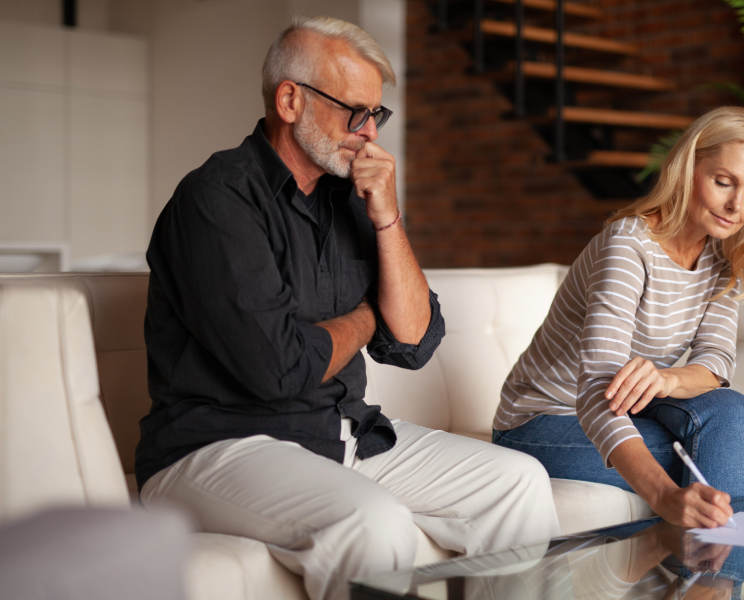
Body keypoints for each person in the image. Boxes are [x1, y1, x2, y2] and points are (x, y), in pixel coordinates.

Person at [136, 16, 560, 600]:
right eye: (353, 112)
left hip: (338, 432)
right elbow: (278, 370)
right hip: (216, 446)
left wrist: (387, 215)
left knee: (518, 483)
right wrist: (367, 316)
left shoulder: (352, 198)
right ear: (290, 100)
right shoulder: (216, 199)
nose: (368, 134)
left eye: (375, 116)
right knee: (374, 521)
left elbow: (414, 341)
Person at [493, 106, 744, 532]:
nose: (735, 206)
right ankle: (713, 590)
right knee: (730, 452)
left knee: (733, 413)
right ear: (688, 169)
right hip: (542, 419)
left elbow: (717, 362)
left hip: (633, 409)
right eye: (723, 182)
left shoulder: (723, 257)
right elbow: (596, 391)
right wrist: (666, 496)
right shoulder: (629, 246)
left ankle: (707, 589)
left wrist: (669, 380)